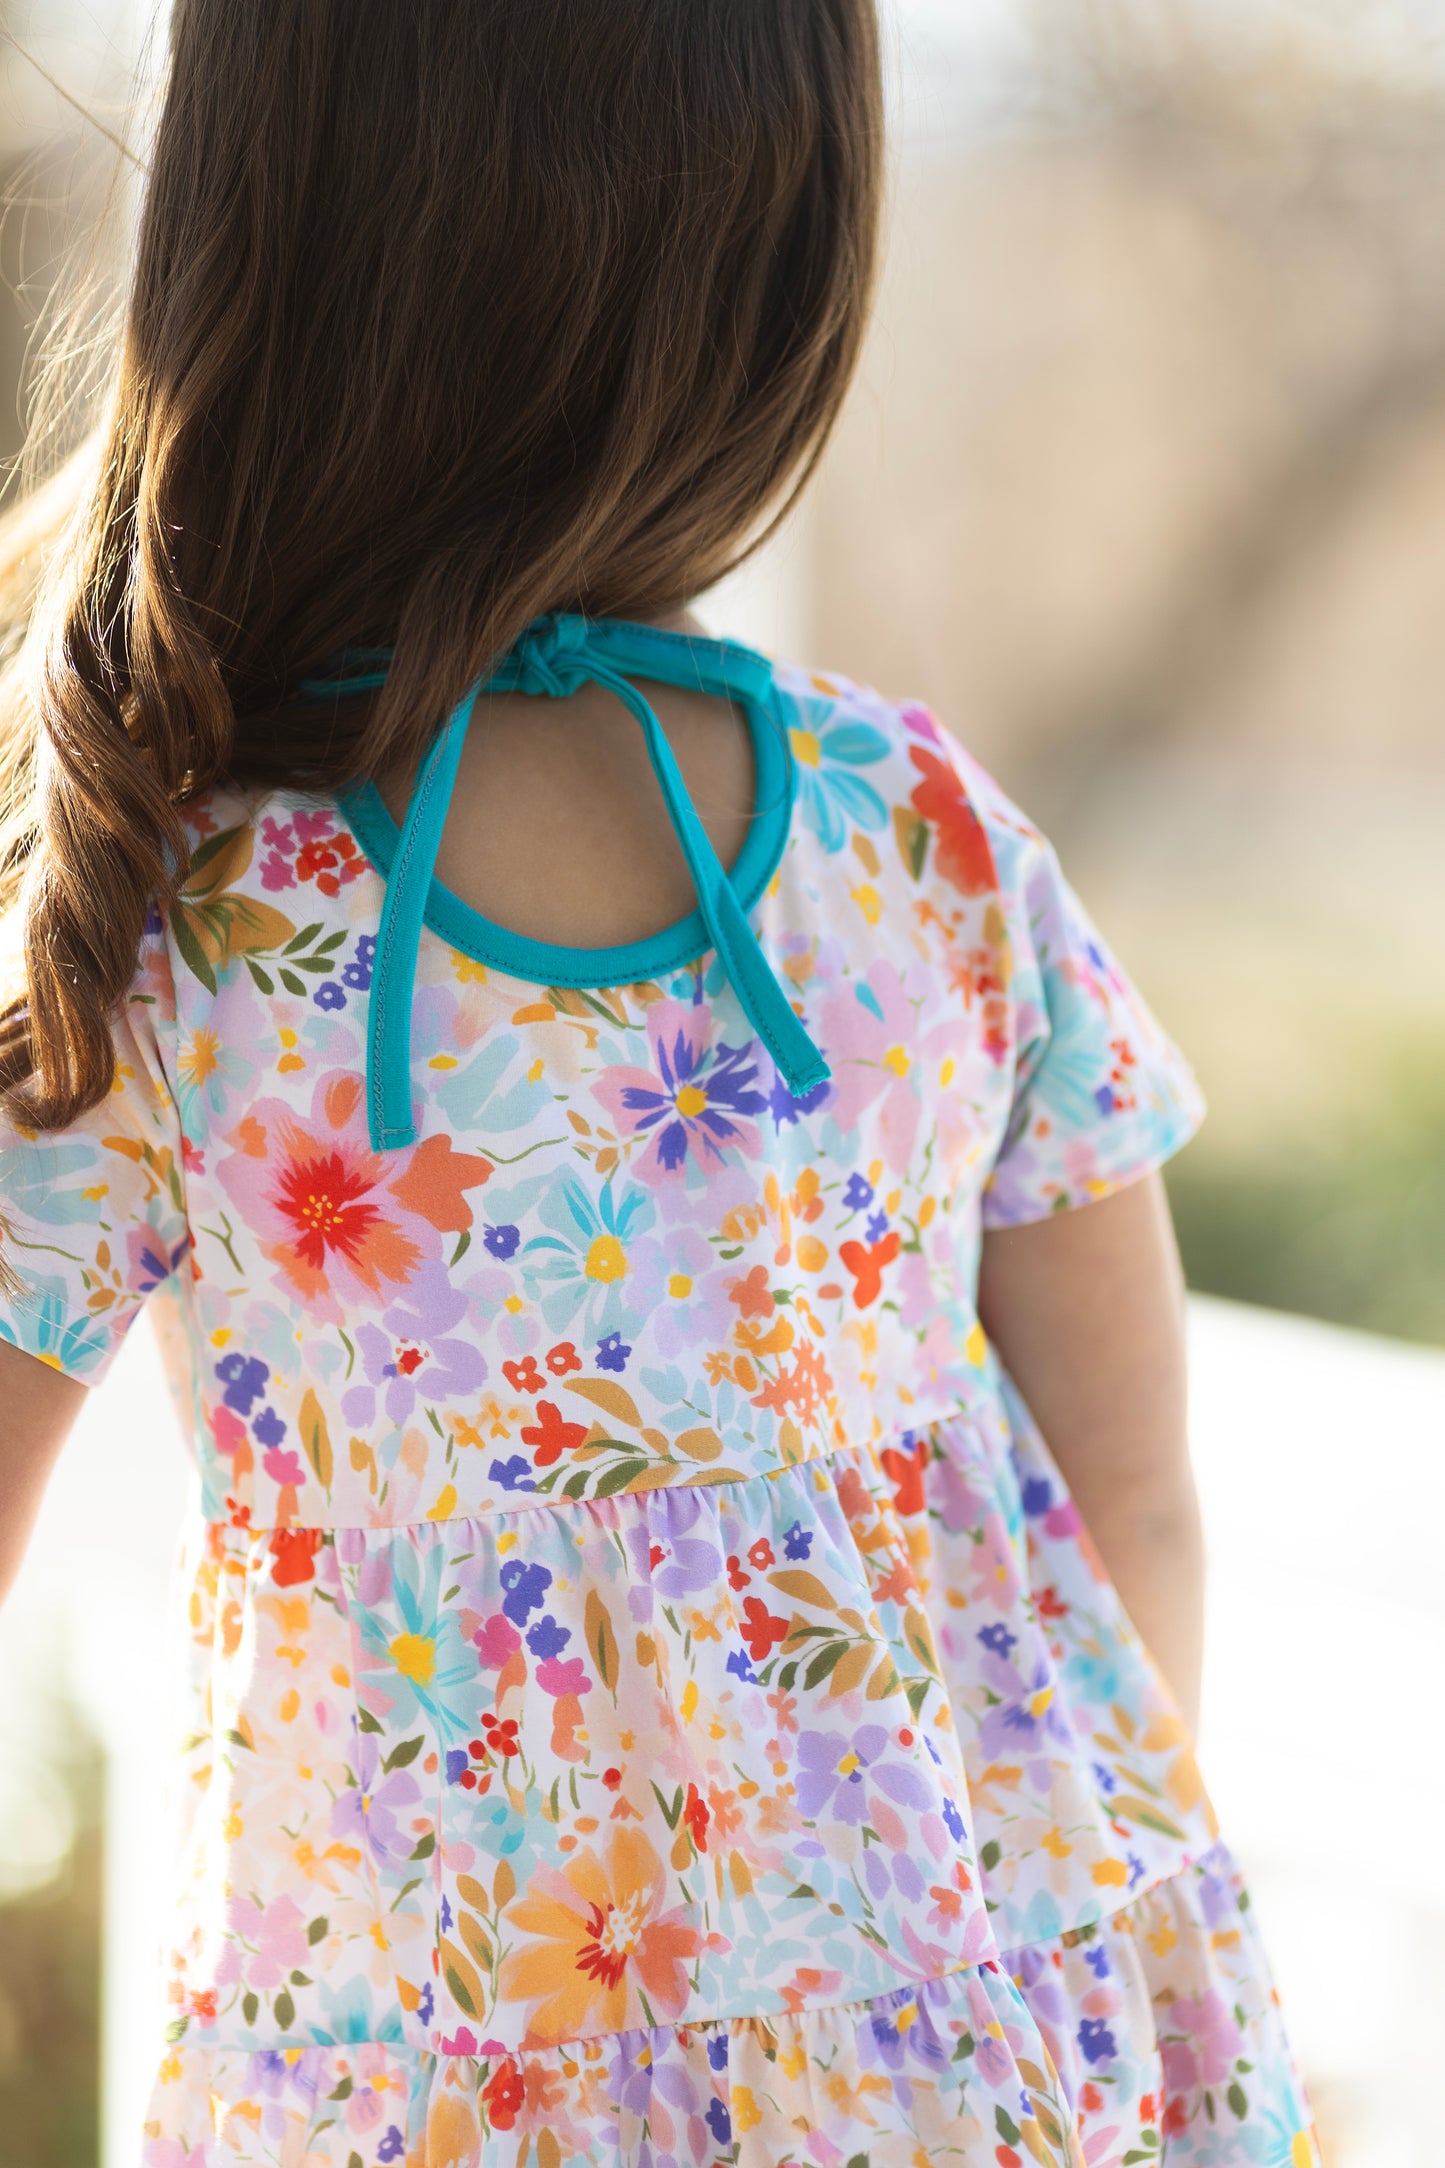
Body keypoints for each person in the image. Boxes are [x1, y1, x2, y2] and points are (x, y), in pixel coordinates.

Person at [0, 4, 1320, 2163]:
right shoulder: (919, 837)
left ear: (251, 238)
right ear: (776, 270)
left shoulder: (174, 925)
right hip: (973, 2050)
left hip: (437, 2065)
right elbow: (1134, 1503)